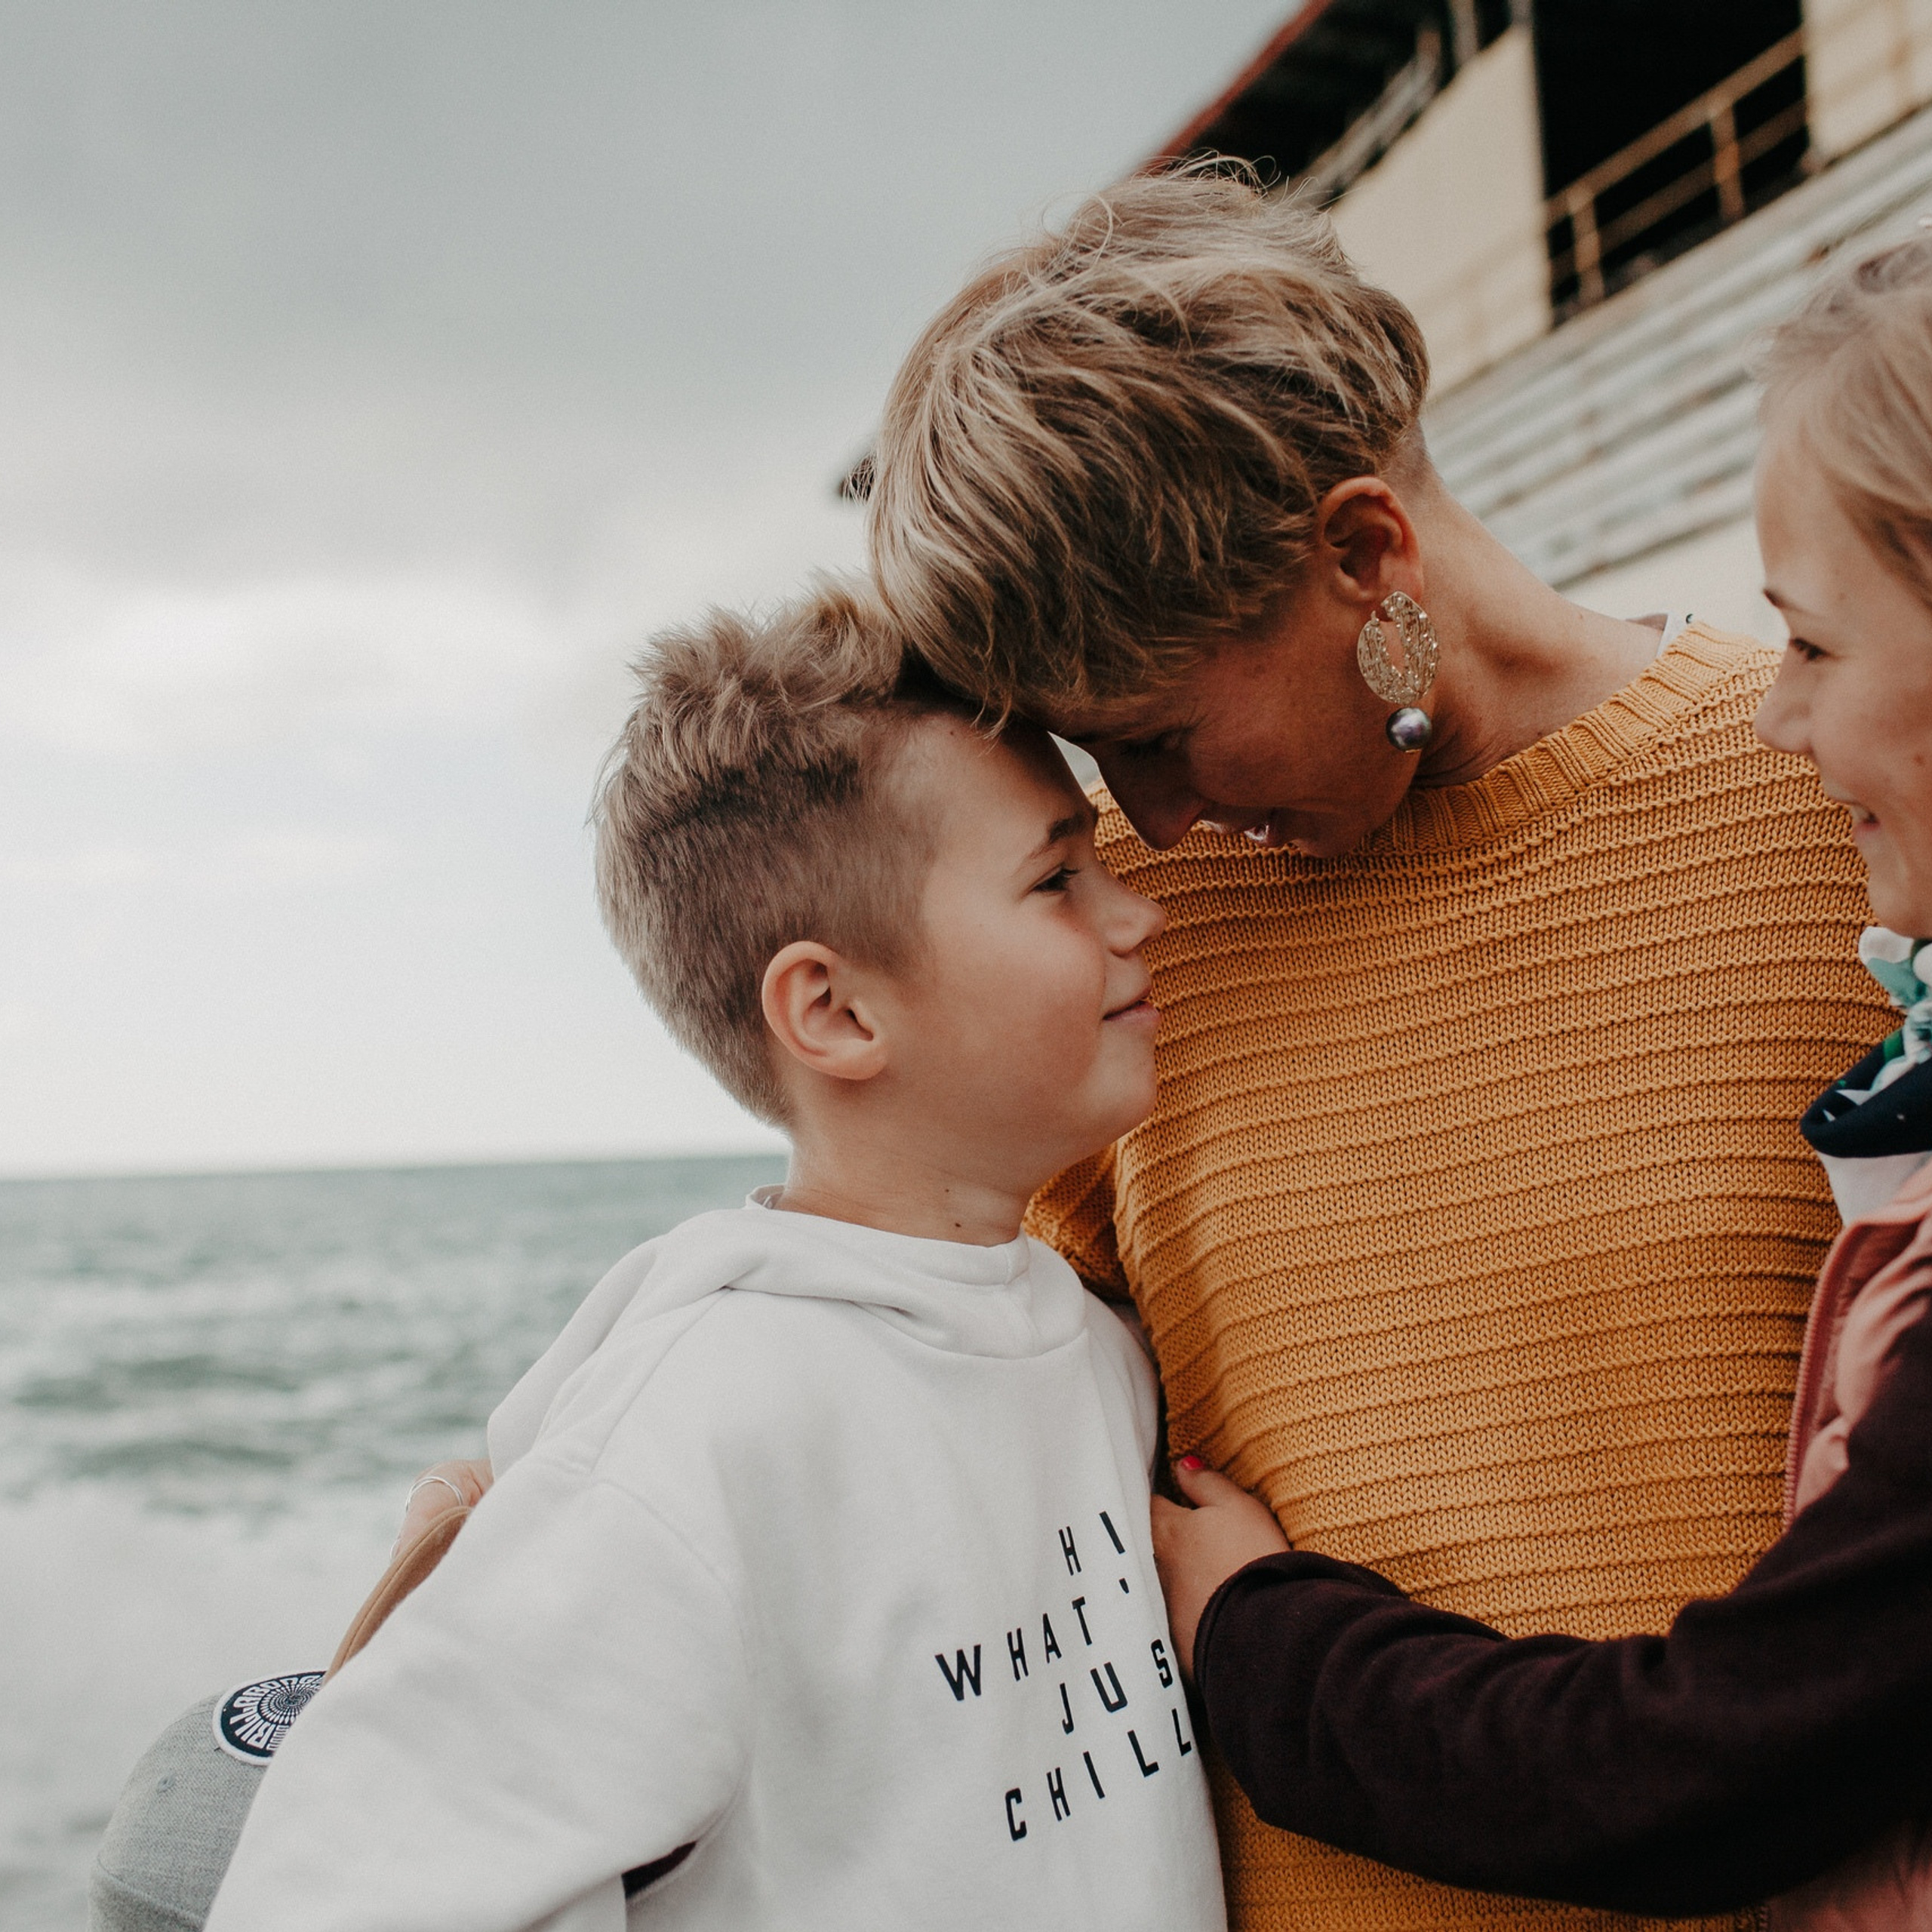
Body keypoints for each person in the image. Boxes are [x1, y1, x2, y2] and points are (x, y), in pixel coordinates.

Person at [864, 165, 1894, 1931]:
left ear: (1361, 554)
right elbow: (918, 1414)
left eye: (1164, 734)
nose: (1154, 824)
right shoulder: (1098, 939)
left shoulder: (1837, 802)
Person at [190, 587, 1225, 1932]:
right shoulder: (702, 1430)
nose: (1138, 915)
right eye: (1056, 879)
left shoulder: (1088, 1342)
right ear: (836, 1010)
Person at [1133, 229, 1932, 1929]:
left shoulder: (1796, 836)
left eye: (1811, 643)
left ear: (1367, 551)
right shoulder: (1132, 965)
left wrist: (1256, 1637)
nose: (1778, 717)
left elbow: (1724, 1756)